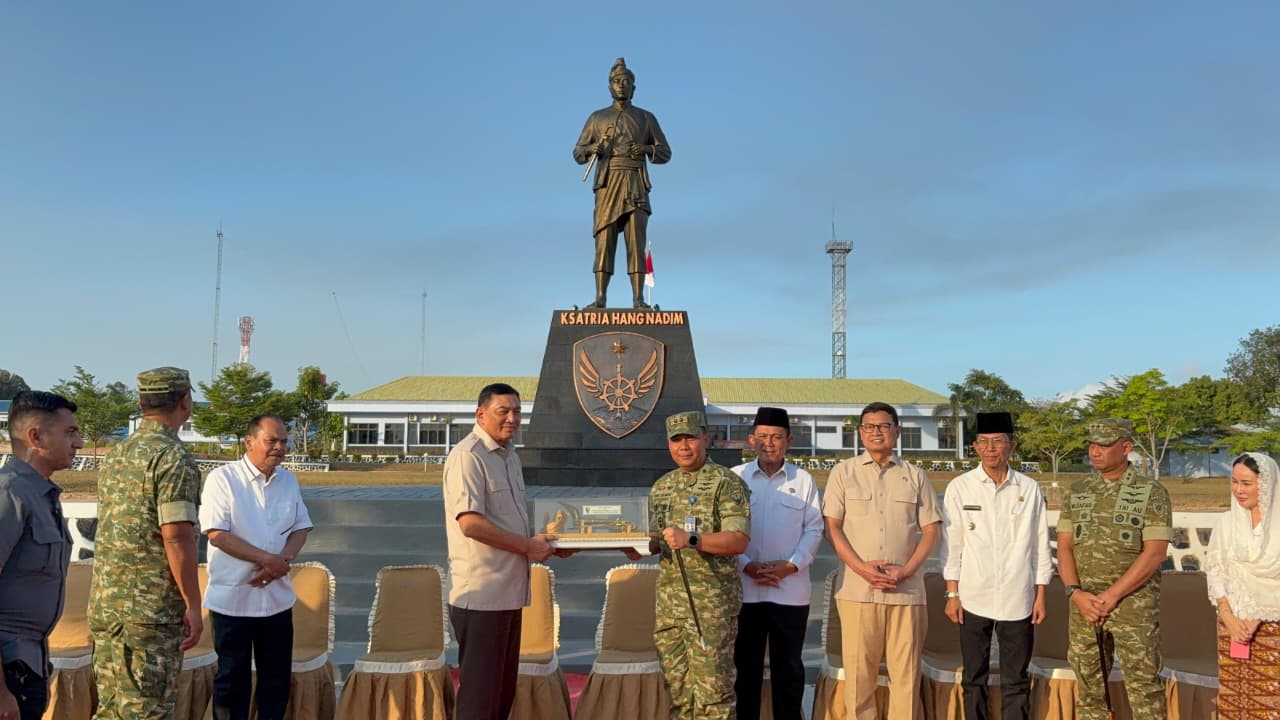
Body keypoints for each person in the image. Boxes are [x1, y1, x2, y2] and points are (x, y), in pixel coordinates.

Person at [89, 367, 203, 720]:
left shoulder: (119, 453)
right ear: (185, 402)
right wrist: (193, 603)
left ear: (141, 403)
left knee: (112, 710)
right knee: (146, 710)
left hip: (108, 603)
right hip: (149, 612)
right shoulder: (172, 458)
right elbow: (176, 535)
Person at [444, 383, 560, 720]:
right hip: (482, 596)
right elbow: (471, 524)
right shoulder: (468, 456)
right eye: (503, 411)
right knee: (480, 701)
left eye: (517, 412)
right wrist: (528, 547)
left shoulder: (509, 457)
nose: (512, 419)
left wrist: (546, 543)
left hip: (508, 594)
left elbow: (506, 521)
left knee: (500, 698)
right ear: (480, 414)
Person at [823, 401, 941, 720]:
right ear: (861, 433)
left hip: (907, 592)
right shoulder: (843, 474)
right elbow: (831, 527)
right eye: (870, 427)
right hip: (858, 592)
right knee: (860, 678)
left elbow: (931, 530)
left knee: (906, 678)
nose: (877, 432)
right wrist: (861, 569)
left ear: (897, 431)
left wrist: (907, 570)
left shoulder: (915, 476)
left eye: (884, 426)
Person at [1056, 418, 1171, 720]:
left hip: (1133, 606)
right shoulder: (1077, 491)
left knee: (1144, 686)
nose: (1096, 451)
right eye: (1092, 445)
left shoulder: (1151, 491)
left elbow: (1155, 553)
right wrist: (1075, 593)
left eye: (1104, 445)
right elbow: (1065, 546)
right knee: (1089, 688)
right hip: (1084, 607)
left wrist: (1111, 595)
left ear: (1126, 447)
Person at [199, 414, 313, 720]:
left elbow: (301, 527)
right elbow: (217, 534)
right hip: (234, 598)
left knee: (276, 680)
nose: (279, 447)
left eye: (284, 441)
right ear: (249, 442)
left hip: (276, 598)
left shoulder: (288, 480)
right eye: (271, 440)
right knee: (232, 680)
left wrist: (283, 560)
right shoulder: (222, 479)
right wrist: (268, 560)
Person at [939, 412, 1051, 720]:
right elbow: (952, 545)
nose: (991, 449)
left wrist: (1040, 593)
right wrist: (952, 594)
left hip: (1019, 596)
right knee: (974, 678)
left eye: (998, 442)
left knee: (1016, 679)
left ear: (1011, 446)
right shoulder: (960, 488)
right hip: (974, 595)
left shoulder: (1028, 488)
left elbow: (1040, 542)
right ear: (974, 446)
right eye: (984, 442)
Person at [648, 410, 750, 720]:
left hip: (710, 608)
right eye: (676, 440)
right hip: (670, 607)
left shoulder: (725, 483)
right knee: (678, 693)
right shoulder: (661, 487)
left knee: (713, 695)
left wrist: (693, 540)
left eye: (690, 438)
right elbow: (656, 539)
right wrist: (635, 545)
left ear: (705, 438)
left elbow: (738, 540)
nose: (683, 446)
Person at [731, 407, 822, 720]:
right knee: (745, 674)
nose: (769, 443)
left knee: (789, 672)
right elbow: (726, 530)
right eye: (763, 436)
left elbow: (814, 528)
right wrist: (746, 565)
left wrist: (791, 565)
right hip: (745, 591)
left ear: (789, 440)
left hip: (790, 591)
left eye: (777, 437)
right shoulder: (736, 477)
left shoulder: (804, 479)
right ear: (751, 439)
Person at [0, 391, 80, 720]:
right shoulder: (10, 494)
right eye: (70, 433)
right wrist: (1, 692)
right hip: (8, 666)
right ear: (35, 436)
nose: (78, 443)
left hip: (28, 661)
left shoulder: (42, 494)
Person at [573, 57, 671, 309]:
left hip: (635, 182)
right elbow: (578, 153)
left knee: (636, 242)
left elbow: (665, 153)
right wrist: (595, 146)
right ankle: (600, 298)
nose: (622, 86)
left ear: (634, 87)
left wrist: (647, 148)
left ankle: (638, 299)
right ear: (609, 86)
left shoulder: (646, 118)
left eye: (626, 82)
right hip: (608, 184)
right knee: (604, 240)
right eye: (617, 82)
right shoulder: (597, 118)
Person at [1204, 451, 1280, 717]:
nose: (1239, 489)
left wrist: (1258, 615)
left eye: (1246, 483)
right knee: (1235, 701)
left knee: (1271, 703)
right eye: (1234, 482)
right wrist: (1228, 616)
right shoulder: (1226, 524)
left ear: (1266, 483)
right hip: (1233, 628)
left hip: (1274, 628)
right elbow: (1216, 570)